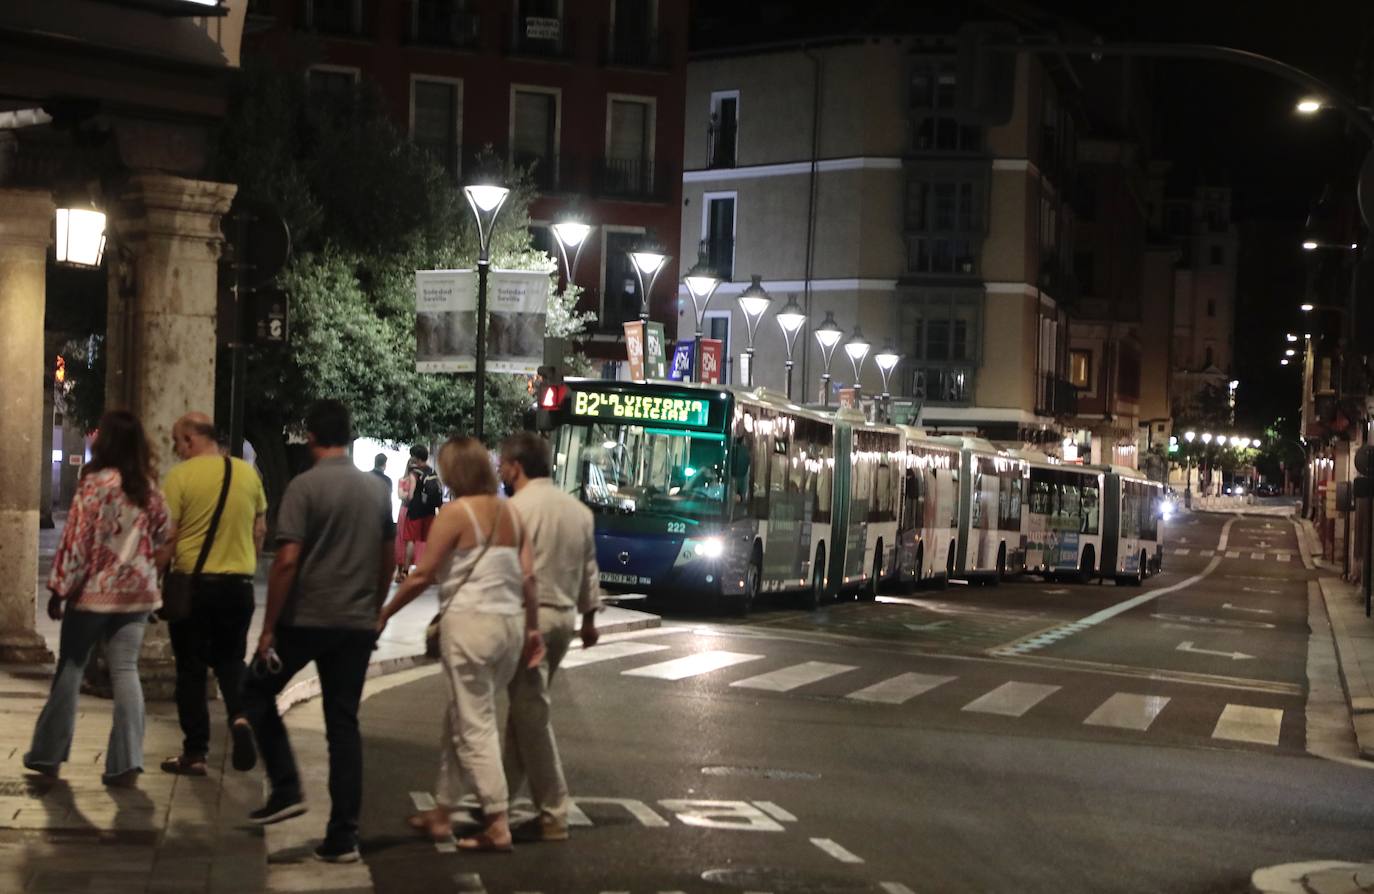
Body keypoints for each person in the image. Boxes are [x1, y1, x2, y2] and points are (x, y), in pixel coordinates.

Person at [240, 400, 395, 864]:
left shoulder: (303, 488)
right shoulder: (375, 489)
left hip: (306, 619)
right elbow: (389, 555)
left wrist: (268, 630)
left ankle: (286, 786)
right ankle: (343, 836)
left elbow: (287, 561)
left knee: (254, 691)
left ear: (310, 437)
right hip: (354, 623)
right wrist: (375, 604)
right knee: (342, 725)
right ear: (347, 436)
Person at [378, 436, 544, 852]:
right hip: (509, 627)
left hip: (471, 625)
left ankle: (497, 820)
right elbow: (529, 578)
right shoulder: (511, 513)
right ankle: (443, 811)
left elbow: (421, 574)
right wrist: (534, 630)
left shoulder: (456, 513)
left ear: (456, 471)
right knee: (460, 718)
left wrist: (383, 613)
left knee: (475, 723)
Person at [25, 410, 170, 786]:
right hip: (137, 596)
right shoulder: (148, 487)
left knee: (71, 668)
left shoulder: (94, 484)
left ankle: (48, 754)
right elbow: (162, 532)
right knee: (126, 672)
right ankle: (127, 761)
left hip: (93, 594)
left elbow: (77, 540)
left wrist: (59, 589)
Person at [498, 432, 602, 843]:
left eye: (504, 464)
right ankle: (498, 801)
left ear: (517, 467)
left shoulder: (514, 510)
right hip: (563, 621)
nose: (501, 470)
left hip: (530, 622)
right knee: (523, 713)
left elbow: (504, 569)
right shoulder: (577, 511)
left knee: (532, 715)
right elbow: (589, 569)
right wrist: (590, 619)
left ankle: (553, 809)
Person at [160, 412, 268, 777]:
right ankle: (239, 718)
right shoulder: (247, 474)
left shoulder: (179, 477)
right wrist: (244, 562)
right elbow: (260, 528)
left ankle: (195, 753)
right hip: (238, 586)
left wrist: (158, 570)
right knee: (230, 661)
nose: (177, 449)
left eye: (177, 442)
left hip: (194, 587)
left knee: (191, 670)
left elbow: (170, 536)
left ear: (190, 439)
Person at [398, 445, 441, 578]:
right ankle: (432, 571)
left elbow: (411, 495)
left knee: (411, 540)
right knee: (429, 541)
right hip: (430, 511)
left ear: (416, 457)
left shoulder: (414, 473)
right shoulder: (432, 471)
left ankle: (405, 571)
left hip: (416, 510)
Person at [394, 457, 417, 583]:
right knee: (406, 540)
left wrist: (407, 493)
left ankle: (403, 571)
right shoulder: (407, 480)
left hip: (407, 510)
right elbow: (401, 495)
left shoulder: (404, 481)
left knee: (406, 540)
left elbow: (402, 495)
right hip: (410, 511)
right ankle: (402, 571)